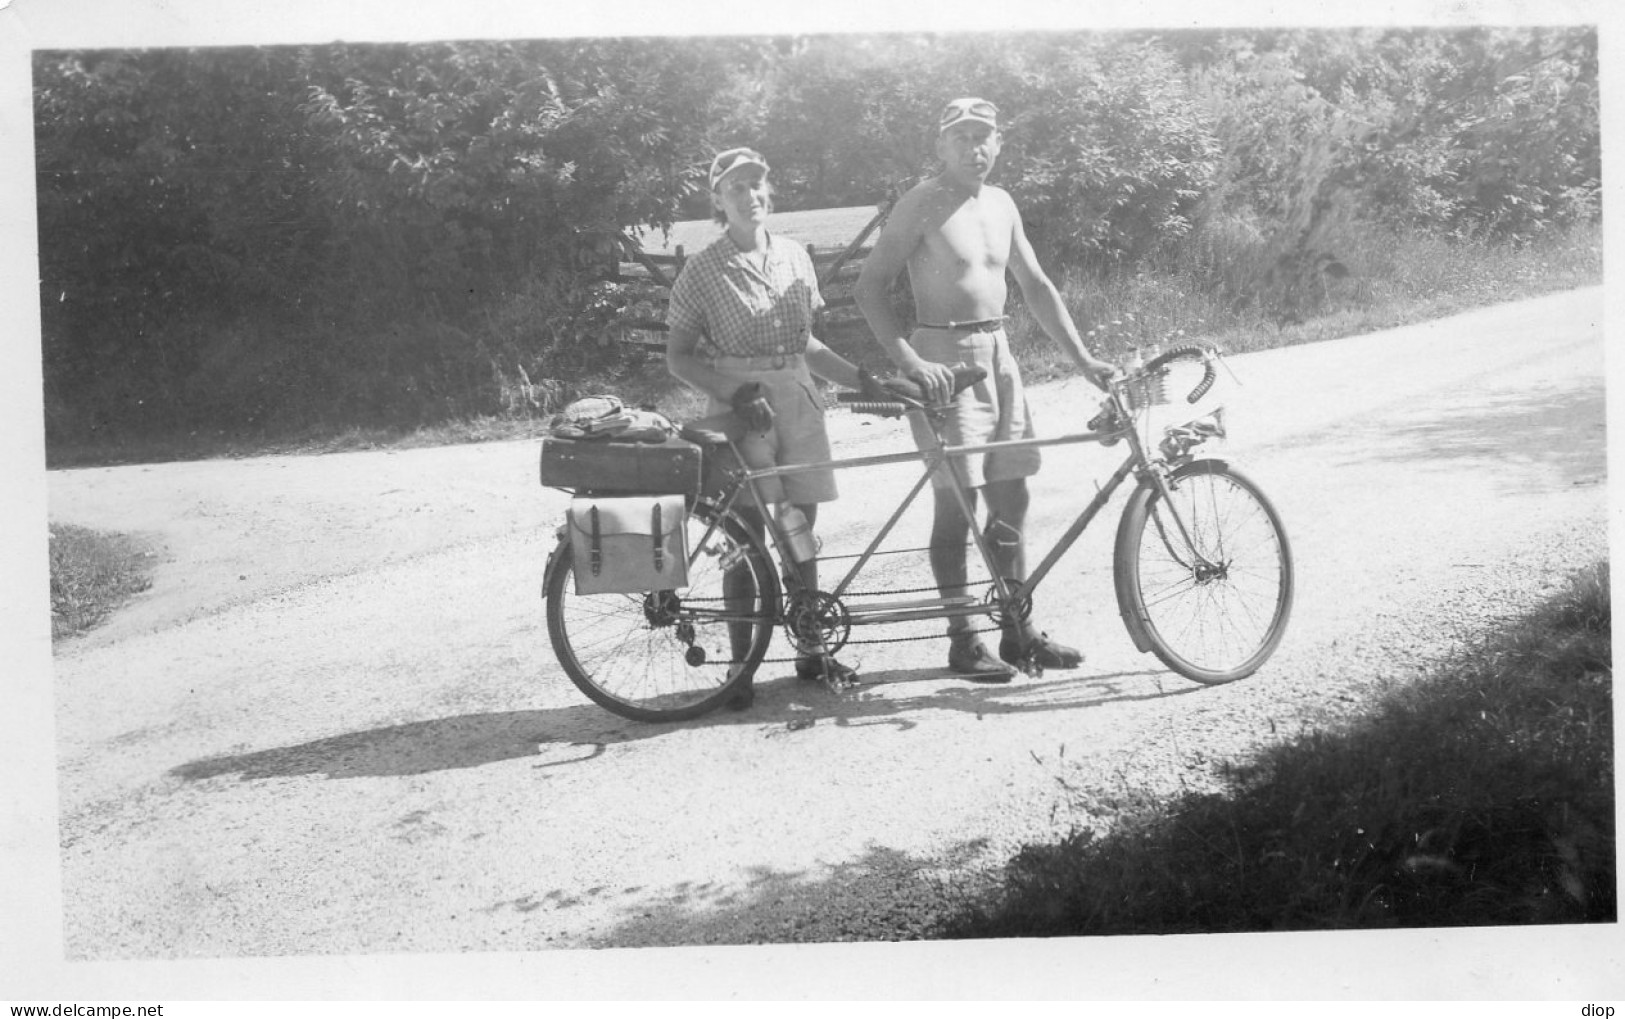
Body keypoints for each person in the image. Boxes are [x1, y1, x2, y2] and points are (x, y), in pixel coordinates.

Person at [854, 97, 1117, 682]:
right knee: (957, 503)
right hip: (942, 358)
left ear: (999, 143)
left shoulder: (1001, 203)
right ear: (941, 146)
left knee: (1012, 496)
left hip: (1000, 355)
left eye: (985, 137)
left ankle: (1018, 630)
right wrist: (909, 359)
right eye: (963, 138)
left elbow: (1037, 286)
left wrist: (1084, 360)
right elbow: (869, 289)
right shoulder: (920, 204)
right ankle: (962, 636)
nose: (976, 148)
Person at [666, 146, 868, 709]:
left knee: (800, 525)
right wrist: (733, 392)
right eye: (736, 187)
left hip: (798, 400)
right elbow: (678, 357)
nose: (749, 195)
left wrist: (863, 378)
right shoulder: (703, 270)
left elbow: (807, 343)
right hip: (743, 407)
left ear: (768, 191)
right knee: (744, 540)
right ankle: (739, 668)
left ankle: (811, 650)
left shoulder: (795, 256)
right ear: (718, 200)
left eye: (756, 184)